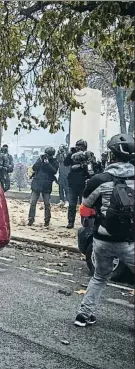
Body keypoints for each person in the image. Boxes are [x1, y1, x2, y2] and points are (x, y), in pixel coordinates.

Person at [74, 133, 134, 327]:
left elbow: (85, 208)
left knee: (99, 277)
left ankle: (83, 315)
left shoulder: (99, 179)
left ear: (112, 156)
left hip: (102, 240)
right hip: (130, 242)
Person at [28, 147, 59, 227]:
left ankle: (47, 220)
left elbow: (54, 171)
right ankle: (31, 219)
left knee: (47, 204)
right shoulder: (40, 159)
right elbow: (35, 168)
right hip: (37, 183)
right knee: (33, 203)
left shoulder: (54, 161)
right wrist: (41, 161)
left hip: (47, 184)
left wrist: (47, 163)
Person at [64, 139, 92, 228]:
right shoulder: (73, 155)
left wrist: (84, 163)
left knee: (83, 205)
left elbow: (91, 167)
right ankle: (70, 222)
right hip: (73, 183)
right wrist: (70, 153)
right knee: (72, 204)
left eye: (81, 147)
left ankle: (84, 223)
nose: (79, 148)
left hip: (83, 183)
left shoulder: (88, 155)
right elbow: (66, 163)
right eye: (78, 146)